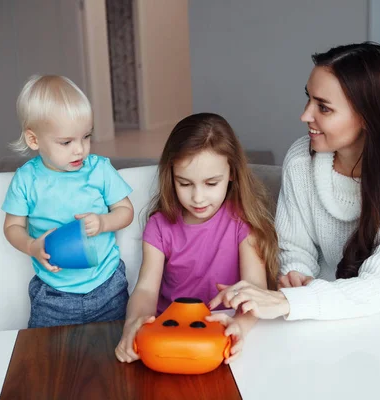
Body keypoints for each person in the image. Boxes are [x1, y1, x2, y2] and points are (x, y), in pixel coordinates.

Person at [210, 42, 380, 321]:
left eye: (323, 108)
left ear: (367, 116)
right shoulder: (301, 158)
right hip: (326, 308)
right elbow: (294, 247)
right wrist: (296, 276)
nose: (305, 115)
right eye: (309, 98)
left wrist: (287, 302)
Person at [115, 113, 279, 363]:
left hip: (223, 333)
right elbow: (147, 289)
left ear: (232, 173)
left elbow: (255, 288)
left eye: (211, 183)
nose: (198, 198)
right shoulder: (159, 225)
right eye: (185, 184)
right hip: (169, 336)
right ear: (171, 176)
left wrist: (240, 326)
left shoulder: (243, 222)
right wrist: (133, 324)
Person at [2, 75, 134, 328]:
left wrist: (104, 221)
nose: (80, 150)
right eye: (66, 142)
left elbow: (125, 210)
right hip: (53, 295)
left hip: (108, 287)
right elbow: (12, 227)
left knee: (114, 350)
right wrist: (31, 246)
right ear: (34, 140)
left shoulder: (100, 170)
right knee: (47, 357)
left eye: (86, 137)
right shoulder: (27, 179)